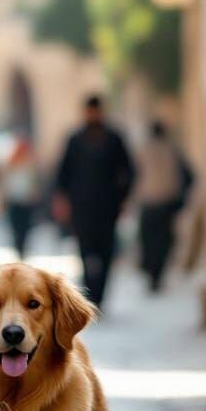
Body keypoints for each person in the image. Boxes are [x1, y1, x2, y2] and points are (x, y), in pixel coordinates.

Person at [51, 95, 134, 310]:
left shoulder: (114, 139)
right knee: (85, 250)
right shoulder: (75, 140)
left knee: (106, 251)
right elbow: (63, 173)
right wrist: (62, 200)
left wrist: (123, 198)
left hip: (108, 207)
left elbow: (128, 170)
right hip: (82, 207)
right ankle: (89, 293)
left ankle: (100, 296)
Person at [135, 120, 194, 291]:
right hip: (167, 203)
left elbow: (133, 176)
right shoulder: (173, 151)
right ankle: (157, 274)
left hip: (148, 203)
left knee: (149, 240)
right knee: (163, 241)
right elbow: (188, 176)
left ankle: (152, 273)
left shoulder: (142, 151)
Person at [0, 134, 41, 259]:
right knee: (16, 227)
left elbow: (35, 182)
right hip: (14, 201)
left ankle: (23, 248)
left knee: (25, 227)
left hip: (26, 201)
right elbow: (4, 183)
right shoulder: (9, 165)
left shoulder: (31, 165)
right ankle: (18, 248)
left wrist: (34, 194)